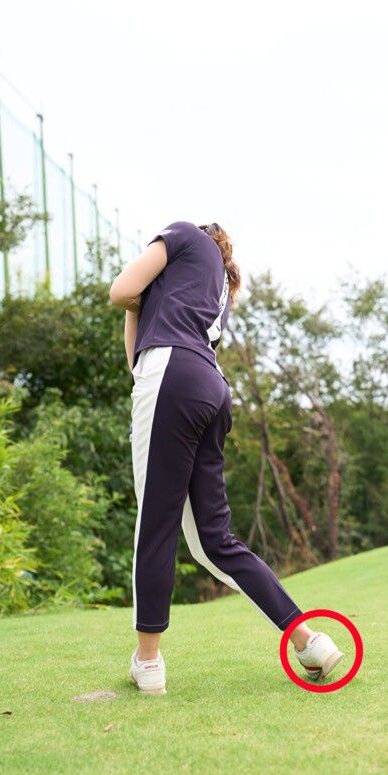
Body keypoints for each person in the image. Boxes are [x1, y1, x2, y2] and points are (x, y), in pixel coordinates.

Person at [109, 220, 343, 695]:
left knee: (155, 523)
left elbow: (120, 291)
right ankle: (311, 642)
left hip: (172, 377)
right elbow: (136, 360)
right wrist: (143, 303)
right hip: (211, 388)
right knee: (213, 541)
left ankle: (148, 663)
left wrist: (138, 295)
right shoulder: (213, 290)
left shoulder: (182, 235)